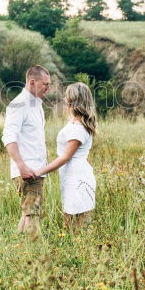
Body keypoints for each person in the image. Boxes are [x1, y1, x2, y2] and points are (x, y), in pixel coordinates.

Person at [35, 81, 97, 230]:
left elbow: (65, 157)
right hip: (72, 175)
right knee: (70, 221)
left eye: (67, 96)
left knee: (74, 223)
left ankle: (77, 250)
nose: (64, 99)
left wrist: (40, 172)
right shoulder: (75, 123)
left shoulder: (79, 128)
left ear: (74, 100)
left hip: (77, 177)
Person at [1, 65, 51, 239]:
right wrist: (21, 165)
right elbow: (8, 137)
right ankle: (33, 256)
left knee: (27, 214)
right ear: (32, 82)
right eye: (45, 84)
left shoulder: (36, 103)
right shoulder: (19, 105)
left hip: (37, 169)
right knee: (32, 215)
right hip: (28, 171)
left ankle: (17, 248)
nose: (48, 88)